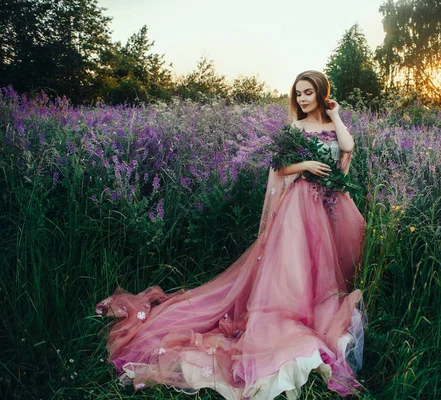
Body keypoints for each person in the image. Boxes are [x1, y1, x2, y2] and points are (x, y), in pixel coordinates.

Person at [95, 70, 366, 400]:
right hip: (299, 206)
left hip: (327, 206)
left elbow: (348, 146)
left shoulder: (330, 123)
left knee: (322, 264)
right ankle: (293, 315)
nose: (302, 99)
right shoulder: (295, 128)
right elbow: (279, 169)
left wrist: (335, 114)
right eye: (299, 94)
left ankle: (314, 310)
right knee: (294, 266)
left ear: (322, 94)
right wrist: (306, 163)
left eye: (309, 93)